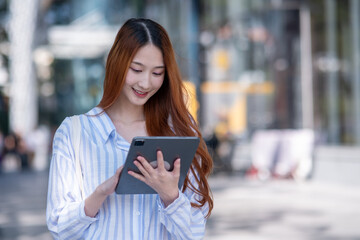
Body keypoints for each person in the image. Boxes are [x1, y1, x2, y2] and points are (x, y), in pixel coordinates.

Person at [46, 18, 213, 239]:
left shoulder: (179, 135)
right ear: (117, 64)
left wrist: (170, 197)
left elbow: (194, 233)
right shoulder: (75, 132)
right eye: (137, 69)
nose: (145, 83)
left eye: (157, 73)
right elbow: (59, 228)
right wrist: (99, 195)